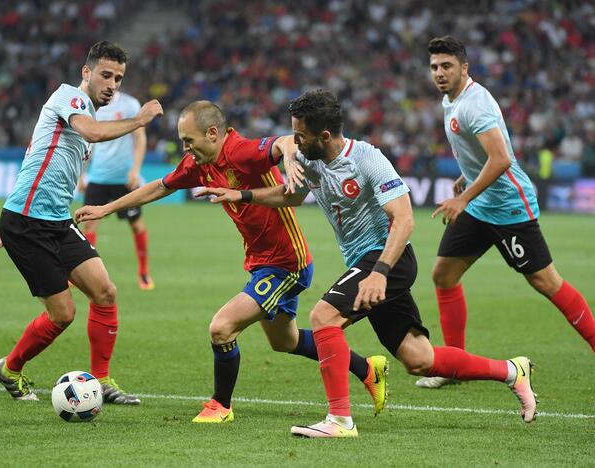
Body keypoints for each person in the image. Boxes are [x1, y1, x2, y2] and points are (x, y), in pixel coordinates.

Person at [200, 89, 538, 438]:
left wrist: (379, 273)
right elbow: (293, 195)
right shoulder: (311, 161)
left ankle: (340, 420)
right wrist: (241, 195)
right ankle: (512, 371)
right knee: (419, 359)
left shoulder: (367, 159)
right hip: (368, 265)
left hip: (387, 259)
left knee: (322, 317)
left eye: (301, 135)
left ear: (325, 135)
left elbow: (404, 220)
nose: (295, 142)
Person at [74, 100, 388, 423]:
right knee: (286, 341)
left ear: (212, 133)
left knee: (222, 328)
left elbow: (283, 142)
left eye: (188, 141)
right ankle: (368, 369)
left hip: (286, 264)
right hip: (260, 262)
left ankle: (220, 406)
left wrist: (291, 156)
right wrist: (104, 209)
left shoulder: (240, 152)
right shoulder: (199, 163)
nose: (185, 148)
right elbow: (159, 187)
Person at [0, 41, 163, 404]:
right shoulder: (71, 98)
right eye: (105, 75)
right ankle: (10, 368)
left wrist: (15, 223)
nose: (112, 84)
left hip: (51, 221)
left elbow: (37, 156)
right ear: (86, 73)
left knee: (105, 291)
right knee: (62, 314)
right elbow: (93, 133)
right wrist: (140, 120)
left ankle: (102, 380)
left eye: (118, 78)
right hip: (27, 223)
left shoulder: (85, 115)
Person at [416, 35, 595, 389]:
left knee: (546, 282)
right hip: (481, 203)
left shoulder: (474, 105)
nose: (439, 72)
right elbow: (482, 154)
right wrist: (465, 178)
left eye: (447, 66)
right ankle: (455, 366)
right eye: (435, 66)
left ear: (464, 68)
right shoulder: (450, 101)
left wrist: (464, 197)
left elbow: (501, 158)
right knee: (444, 275)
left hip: (509, 206)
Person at [80, 90, 155, 290]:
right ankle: (82, 275)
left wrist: (136, 170)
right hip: (98, 177)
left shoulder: (130, 105)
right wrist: (81, 174)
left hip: (125, 179)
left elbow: (140, 139)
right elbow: (85, 141)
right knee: (89, 226)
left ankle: (144, 272)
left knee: (137, 225)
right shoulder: (90, 106)